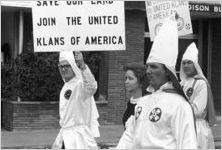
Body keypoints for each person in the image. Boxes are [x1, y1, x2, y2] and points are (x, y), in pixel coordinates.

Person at [116, 14, 198, 149]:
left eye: (154, 67)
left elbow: (188, 144)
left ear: (167, 71)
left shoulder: (179, 105)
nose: (148, 71)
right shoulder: (142, 101)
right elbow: (129, 137)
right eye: (147, 66)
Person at [52, 51, 100, 149]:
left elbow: (92, 87)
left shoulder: (80, 84)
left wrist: (82, 65)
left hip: (79, 139)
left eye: (67, 65)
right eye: (61, 66)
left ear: (73, 65)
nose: (63, 69)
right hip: (65, 136)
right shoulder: (65, 86)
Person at [180, 42, 217, 149]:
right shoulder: (181, 83)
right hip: (183, 125)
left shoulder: (201, 83)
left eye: (189, 62)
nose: (186, 65)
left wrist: (177, 108)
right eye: (184, 63)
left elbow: (197, 110)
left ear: (195, 65)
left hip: (197, 127)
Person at [122, 62, 148, 127]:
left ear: (141, 82)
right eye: (126, 78)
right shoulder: (130, 102)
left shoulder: (145, 104)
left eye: (130, 78)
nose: (126, 82)